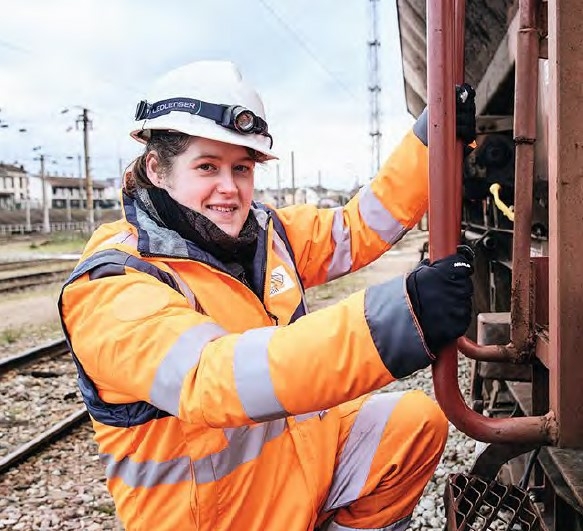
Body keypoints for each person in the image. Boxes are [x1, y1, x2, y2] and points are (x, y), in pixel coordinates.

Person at [58, 60, 476, 531]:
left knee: (412, 425)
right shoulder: (113, 284)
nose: (229, 188)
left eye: (242, 168)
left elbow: (357, 227)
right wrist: (403, 319)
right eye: (207, 167)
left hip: (295, 477)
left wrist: (429, 144)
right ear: (157, 169)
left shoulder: (266, 235)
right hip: (218, 518)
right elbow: (212, 377)